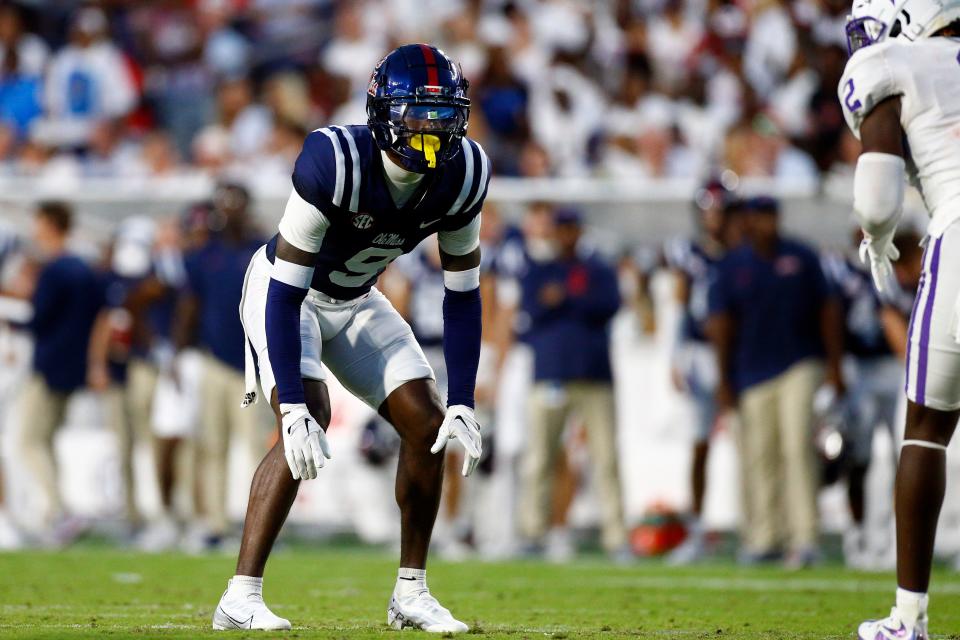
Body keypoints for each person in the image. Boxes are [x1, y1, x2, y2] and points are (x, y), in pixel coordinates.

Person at [211, 44, 489, 633]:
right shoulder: (334, 158)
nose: (433, 130)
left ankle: (410, 592)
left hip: (356, 299)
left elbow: (462, 291)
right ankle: (240, 596)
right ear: (383, 112)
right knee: (309, 411)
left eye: (444, 115)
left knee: (428, 420)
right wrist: (288, 406)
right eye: (418, 114)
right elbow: (287, 292)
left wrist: (463, 396)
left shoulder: (464, 174)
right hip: (288, 294)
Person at [838, 0, 960, 635]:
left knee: (926, 428)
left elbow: (878, 189)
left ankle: (908, 616)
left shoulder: (891, 62)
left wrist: (878, 235)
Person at [707, 195, 844, 568]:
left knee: (796, 447)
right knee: (759, 454)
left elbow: (828, 309)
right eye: (756, 218)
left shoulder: (800, 256)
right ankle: (765, 536)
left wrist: (835, 366)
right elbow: (720, 324)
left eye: (769, 217)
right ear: (747, 222)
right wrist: (723, 379)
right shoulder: (733, 265)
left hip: (800, 362)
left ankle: (805, 537)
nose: (763, 224)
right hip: (752, 371)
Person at [517, 208, 628, 561]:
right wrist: (572, 302)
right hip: (551, 373)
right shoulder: (538, 270)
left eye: (570, 229)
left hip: (594, 376)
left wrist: (564, 298)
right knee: (539, 457)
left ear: (579, 232)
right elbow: (531, 310)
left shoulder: (597, 269)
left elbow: (609, 304)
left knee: (605, 457)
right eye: (560, 229)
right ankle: (533, 532)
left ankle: (615, 535)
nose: (566, 236)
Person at [173, 183, 265, 549]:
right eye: (223, 205)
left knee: (256, 446)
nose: (228, 212)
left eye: (234, 204)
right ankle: (213, 523)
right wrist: (178, 354)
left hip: (253, 366)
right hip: (213, 362)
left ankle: (258, 527)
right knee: (211, 446)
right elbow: (189, 303)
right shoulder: (202, 253)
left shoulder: (264, 248)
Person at [664, 180, 739, 564]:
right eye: (708, 209)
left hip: (739, 355)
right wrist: (674, 357)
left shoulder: (741, 253)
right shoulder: (688, 252)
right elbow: (679, 305)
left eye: (719, 209)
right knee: (699, 443)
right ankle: (695, 528)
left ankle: (757, 529)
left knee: (750, 444)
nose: (714, 217)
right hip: (698, 351)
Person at [18, 202, 104, 539]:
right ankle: (58, 511)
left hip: (49, 366)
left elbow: (37, 318)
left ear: (51, 224)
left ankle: (57, 511)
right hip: (73, 367)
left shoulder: (54, 270)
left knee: (29, 440)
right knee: (46, 439)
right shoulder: (84, 268)